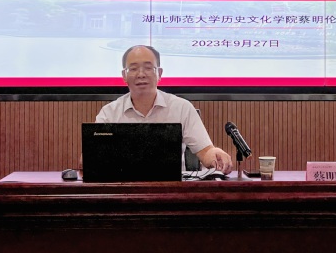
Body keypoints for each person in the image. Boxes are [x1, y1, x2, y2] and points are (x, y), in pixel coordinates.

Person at [95, 45, 233, 174]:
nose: (141, 74)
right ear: (124, 75)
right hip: (123, 187)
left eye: (148, 68)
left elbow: (205, 151)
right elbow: (94, 159)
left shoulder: (181, 108)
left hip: (171, 188)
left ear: (159, 73)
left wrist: (216, 155)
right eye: (133, 69)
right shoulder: (109, 113)